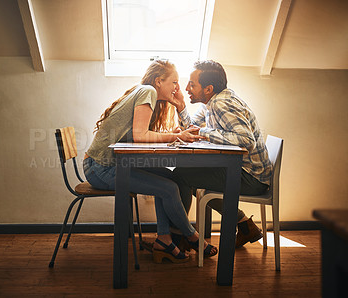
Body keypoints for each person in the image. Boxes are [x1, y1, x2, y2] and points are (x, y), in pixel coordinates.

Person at [83, 59, 217, 263]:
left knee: (171, 179)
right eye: (173, 82)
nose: (177, 88)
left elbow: (139, 134)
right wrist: (176, 137)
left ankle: (164, 239)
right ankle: (192, 236)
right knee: (169, 189)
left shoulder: (145, 92)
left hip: (111, 164)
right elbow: (139, 135)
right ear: (158, 82)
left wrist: (171, 129)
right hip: (100, 168)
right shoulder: (148, 91)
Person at [170, 60, 273, 248]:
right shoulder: (212, 101)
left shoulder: (221, 104)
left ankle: (179, 238)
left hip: (251, 177)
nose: (186, 88)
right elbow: (191, 127)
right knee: (186, 175)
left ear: (208, 88)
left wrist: (203, 132)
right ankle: (244, 225)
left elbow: (245, 140)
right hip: (245, 171)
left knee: (180, 176)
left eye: (192, 84)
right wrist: (181, 107)